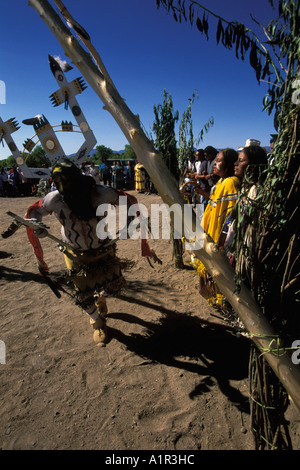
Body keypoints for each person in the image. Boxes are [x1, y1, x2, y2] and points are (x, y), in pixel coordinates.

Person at [25, 158, 155, 347]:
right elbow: (33, 212)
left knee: (108, 285)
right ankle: (97, 323)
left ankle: (100, 298)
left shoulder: (101, 193)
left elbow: (128, 200)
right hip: (74, 251)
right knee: (83, 293)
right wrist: (37, 225)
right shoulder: (55, 199)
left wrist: (128, 222)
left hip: (103, 248)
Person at [191, 148, 240, 302]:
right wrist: (202, 193)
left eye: (218, 161)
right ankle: (212, 296)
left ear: (229, 164)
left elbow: (229, 216)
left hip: (219, 237)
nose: (214, 164)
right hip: (211, 232)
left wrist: (221, 242)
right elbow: (215, 204)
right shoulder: (221, 181)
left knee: (218, 270)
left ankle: (220, 301)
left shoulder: (232, 183)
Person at [224, 145, 268, 285]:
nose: (236, 164)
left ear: (253, 165)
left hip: (247, 247)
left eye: (241, 161)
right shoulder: (246, 188)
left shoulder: (256, 192)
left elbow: (244, 223)